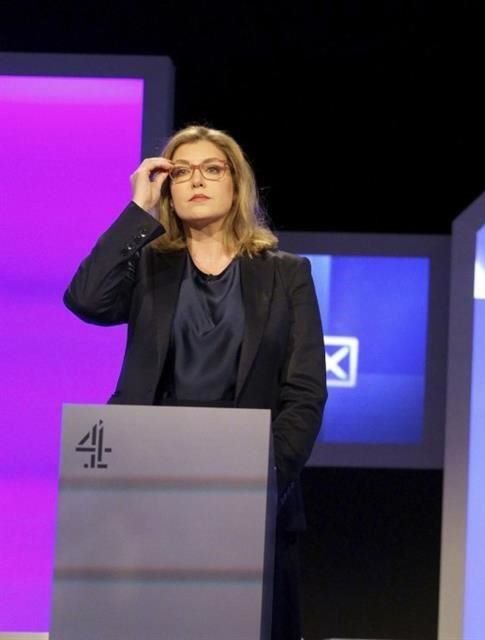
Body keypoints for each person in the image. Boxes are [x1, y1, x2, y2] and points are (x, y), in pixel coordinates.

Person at [64, 125, 327, 640]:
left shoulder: (286, 273)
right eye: (180, 172)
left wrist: (264, 476)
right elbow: (87, 300)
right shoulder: (148, 265)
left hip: (249, 492)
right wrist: (139, 211)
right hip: (147, 491)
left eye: (212, 169)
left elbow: (305, 390)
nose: (196, 181)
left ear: (236, 185)